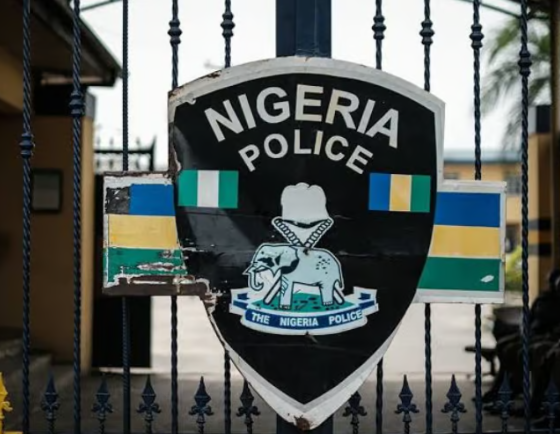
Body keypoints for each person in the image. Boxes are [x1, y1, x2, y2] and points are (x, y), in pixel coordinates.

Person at [482, 268, 560, 406]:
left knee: (519, 351)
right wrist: (525, 331)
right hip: (534, 333)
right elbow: (530, 317)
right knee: (503, 344)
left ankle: (514, 390)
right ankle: (501, 388)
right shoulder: (544, 298)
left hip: (548, 336)